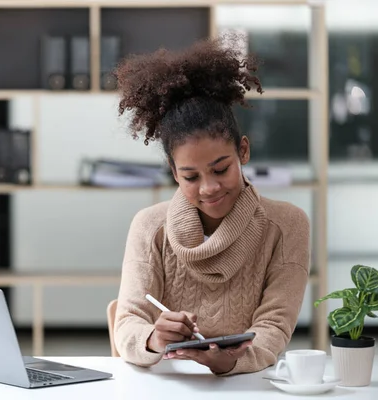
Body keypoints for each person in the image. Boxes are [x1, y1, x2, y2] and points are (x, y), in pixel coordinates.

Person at [112, 36, 311, 376]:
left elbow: (275, 326)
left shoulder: (287, 224)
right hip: (166, 386)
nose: (209, 188)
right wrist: (154, 339)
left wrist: (232, 361)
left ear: (243, 152)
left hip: (246, 382)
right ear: (174, 173)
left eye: (221, 169)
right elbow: (128, 322)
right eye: (190, 177)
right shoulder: (149, 226)